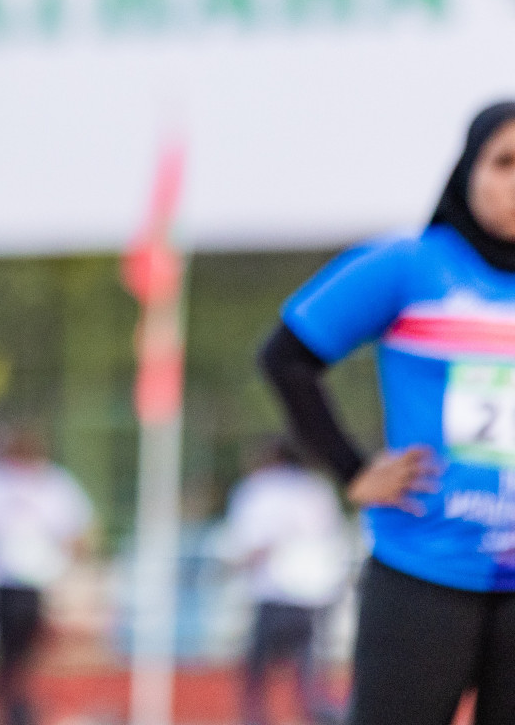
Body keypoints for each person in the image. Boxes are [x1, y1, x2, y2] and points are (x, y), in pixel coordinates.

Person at [257, 101, 515, 725]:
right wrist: (352, 469)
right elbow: (286, 358)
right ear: (468, 170)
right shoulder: (408, 266)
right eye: (505, 163)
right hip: (422, 575)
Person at [0, 424, 93, 725]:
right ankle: (15, 708)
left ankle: (24, 706)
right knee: (12, 655)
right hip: (5, 585)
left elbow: (78, 535)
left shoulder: (51, 484)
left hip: (39, 587)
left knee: (28, 657)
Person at [222, 436, 349, 725]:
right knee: (311, 684)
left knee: (256, 681)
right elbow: (332, 540)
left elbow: (254, 544)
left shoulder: (258, 490)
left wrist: (233, 569)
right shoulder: (318, 489)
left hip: (274, 592)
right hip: (317, 595)